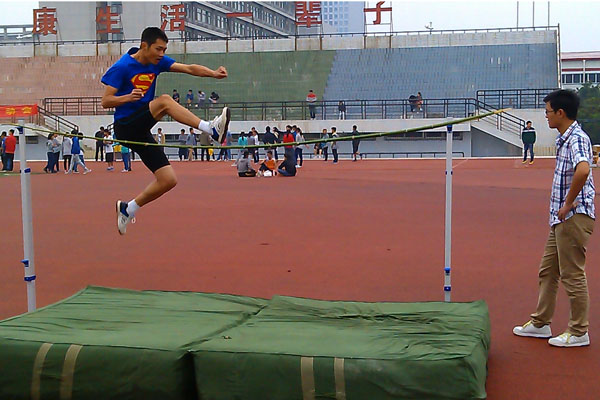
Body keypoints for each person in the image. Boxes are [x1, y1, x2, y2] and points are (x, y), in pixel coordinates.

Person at [101, 27, 230, 235]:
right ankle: (210, 129)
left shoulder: (157, 62)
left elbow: (188, 68)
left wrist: (214, 74)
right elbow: (105, 101)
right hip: (125, 126)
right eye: (158, 49)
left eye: (164, 50)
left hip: (141, 128)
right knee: (164, 102)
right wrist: (128, 97)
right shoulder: (122, 67)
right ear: (144, 46)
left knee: (168, 180)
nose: (161, 54)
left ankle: (128, 208)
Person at [513, 89, 595, 347]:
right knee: (548, 271)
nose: (546, 116)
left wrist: (568, 203)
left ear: (561, 112)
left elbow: (583, 169)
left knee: (572, 274)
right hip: (560, 219)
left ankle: (579, 331)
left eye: (548, 111)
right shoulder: (564, 139)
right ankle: (541, 322)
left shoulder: (576, 139)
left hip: (573, 216)